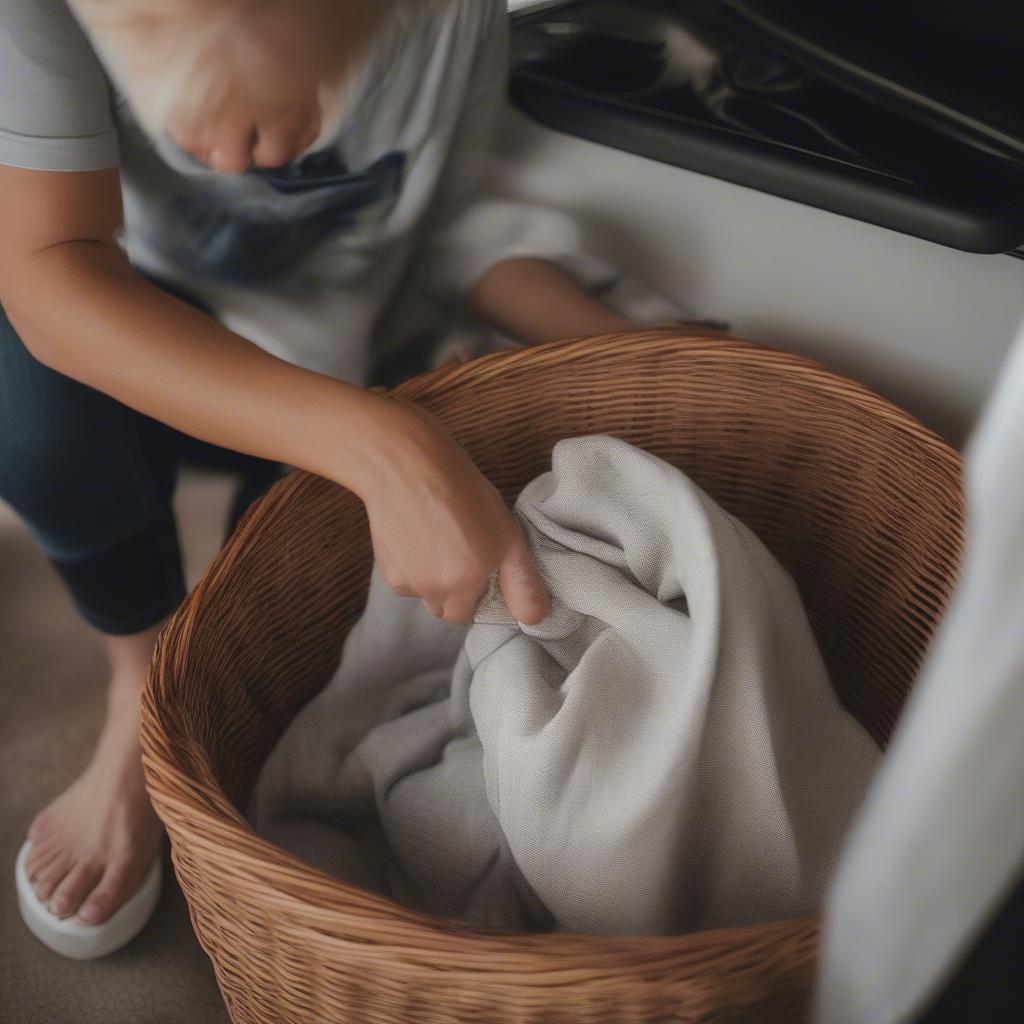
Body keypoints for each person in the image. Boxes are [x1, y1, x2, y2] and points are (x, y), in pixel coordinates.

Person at [0, 0, 649, 932]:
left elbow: (448, 226)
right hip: (132, 348)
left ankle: (195, 665)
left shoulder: (456, 20)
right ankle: (134, 682)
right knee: (22, 396)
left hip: (339, 356)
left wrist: (617, 347)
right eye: (167, 112)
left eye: (270, 115)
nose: (223, 163)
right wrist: (387, 450)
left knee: (294, 645)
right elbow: (48, 269)